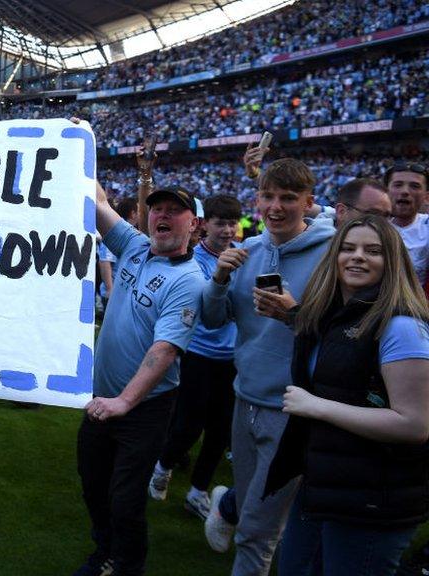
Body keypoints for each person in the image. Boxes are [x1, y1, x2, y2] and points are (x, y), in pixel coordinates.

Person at [265, 215, 429, 576]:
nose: (357, 257)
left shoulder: (402, 327)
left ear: (393, 263)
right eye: (348, 248)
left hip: (374, 499)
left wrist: (318, 407)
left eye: (373, 251)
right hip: (324, 483)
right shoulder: (334, 316)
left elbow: (414, 424)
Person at [200, 158, 335, 575]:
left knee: (258, 532)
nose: (276, 207)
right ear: (256, 200)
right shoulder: (248, 252)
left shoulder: (332, 255)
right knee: (255, 509)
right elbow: (212, 319)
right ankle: (227, 504)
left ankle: (230, 512)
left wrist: (296, 315)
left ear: (309, 202)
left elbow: (345, 335)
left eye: (288, 198)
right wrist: (219, 279)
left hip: (294, 409)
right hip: (245, 399)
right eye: (268, 197)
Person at [74, 182, 204, 576]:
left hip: (143, 407)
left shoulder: (189, 280)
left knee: (125, 499)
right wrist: (82, 137)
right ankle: (105, 552)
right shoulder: (133, 246)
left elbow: (164, 350)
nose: (162, 215)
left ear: (193, 223)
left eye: (174, 210)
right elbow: (97, 202)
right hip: (103, 397)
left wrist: (125, 403)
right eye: (157, 208)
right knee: (93, 483)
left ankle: (129, 566)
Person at [149, 195, 242, 520]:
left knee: (220, 430)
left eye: (233, 223)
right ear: (205, 225)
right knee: (189, 424)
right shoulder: (195, 260)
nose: (228, 230)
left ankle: (198, 491)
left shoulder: (243, 256)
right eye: (221, 223)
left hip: (231, 356)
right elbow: (203, 306)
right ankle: (162, 467)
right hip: (198, 352)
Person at [385, 162, 428, 286]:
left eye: (414, 186)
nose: (405, 191)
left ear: (426, 197)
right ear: (386, 191)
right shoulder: (371, 226)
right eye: (398, 185)